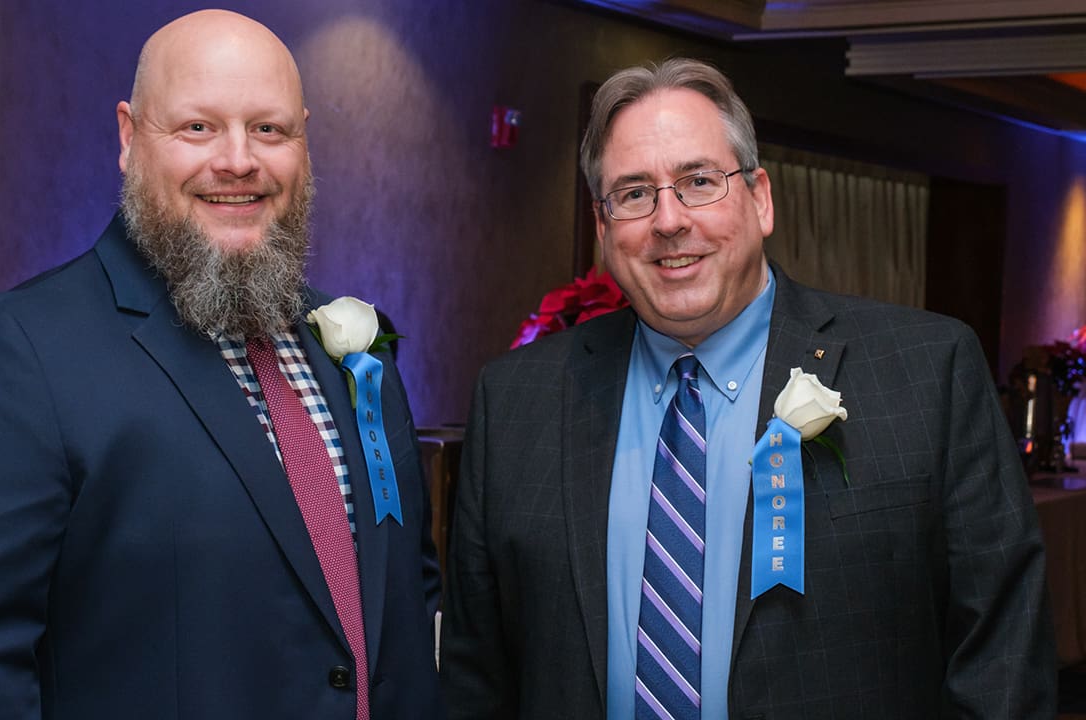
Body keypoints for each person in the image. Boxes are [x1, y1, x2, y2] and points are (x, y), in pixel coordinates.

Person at [440, 58, 1054, 719]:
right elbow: (479, 677)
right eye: (634, 193)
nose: (669, 220)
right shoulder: (516, 403)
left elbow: (1003, 658)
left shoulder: (926, 373)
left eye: (698, 181)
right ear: (603, 229)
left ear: (760, 198)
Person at [0, 10, 440, 719]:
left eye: (269, 129)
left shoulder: (357, 351)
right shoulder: (12, 354)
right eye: (198, 127)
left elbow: (408, 605)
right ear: (129, 137)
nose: (238, 160)